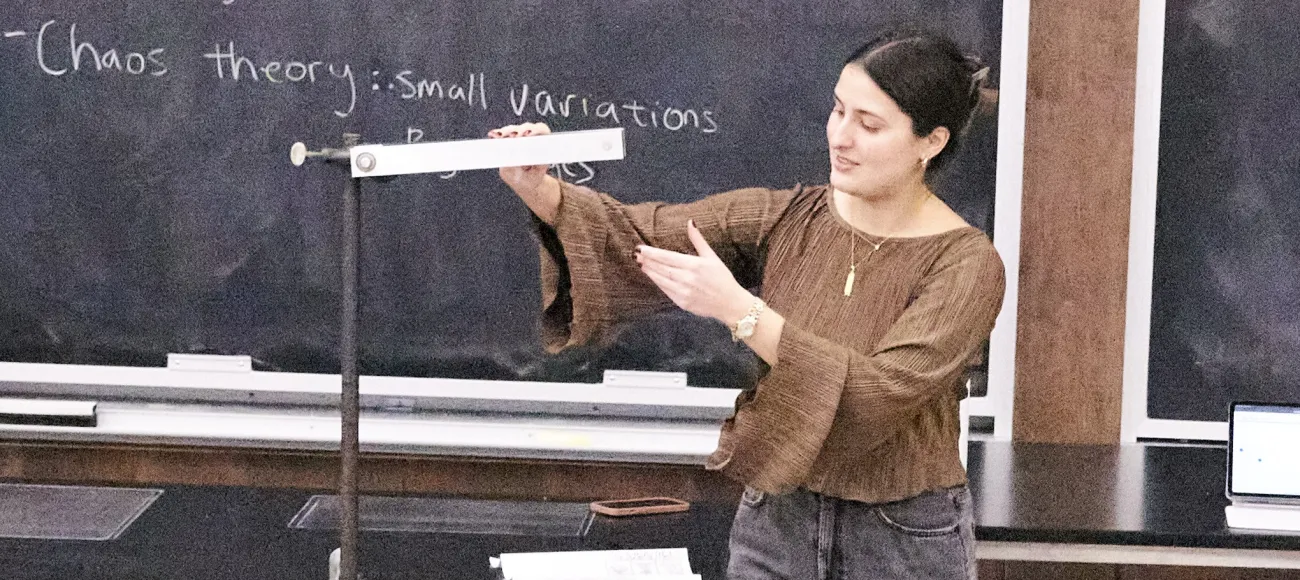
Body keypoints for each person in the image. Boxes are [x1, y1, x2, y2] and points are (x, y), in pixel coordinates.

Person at [490, 30, 1005, 580]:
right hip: (778, 517)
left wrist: (743, 312)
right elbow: (645, 237)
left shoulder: (966, 265)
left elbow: (876, 397)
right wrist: (541, 190)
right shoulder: (789, 218)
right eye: (837, 110)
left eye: (869, 124)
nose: (841, 136)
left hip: (902, 535)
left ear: (931, 141)